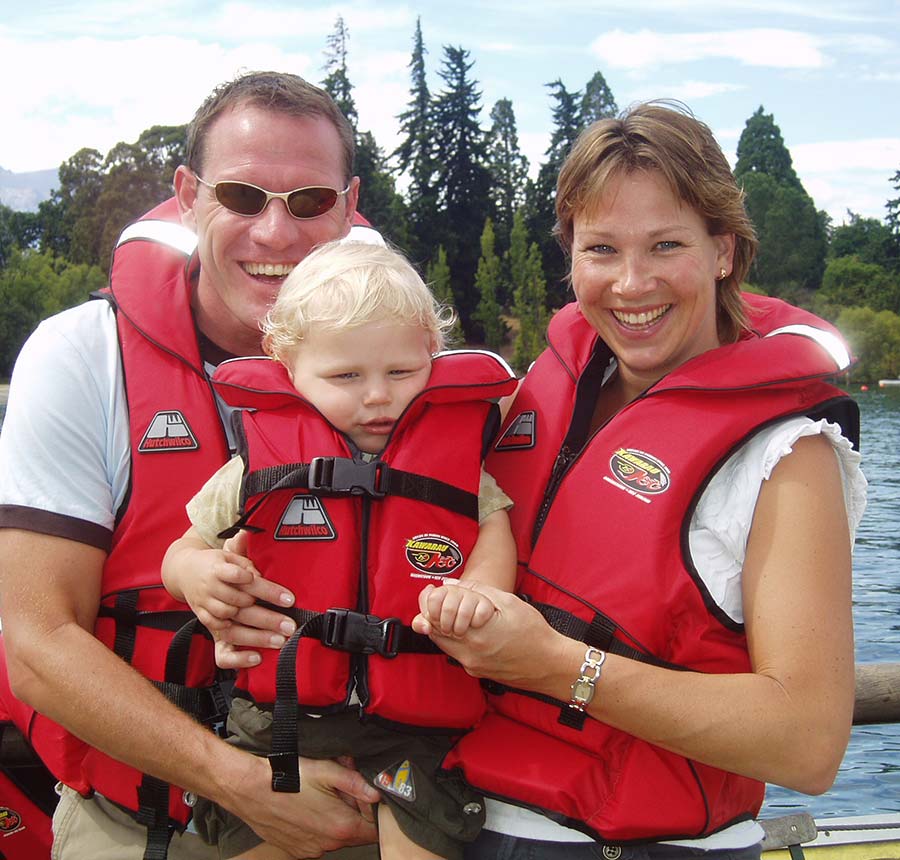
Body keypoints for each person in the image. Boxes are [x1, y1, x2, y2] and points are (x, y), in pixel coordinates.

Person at [406, 101, 867, 859]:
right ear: (570, 255)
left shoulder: (789, 455)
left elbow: (808, 743)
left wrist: (557, 667)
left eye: (665, 245)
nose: (631, 283)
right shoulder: (536, 394)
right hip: (461, 819)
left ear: (723, 251)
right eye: (601, 249)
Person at [0, 70, 388, 860]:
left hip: (361, 818)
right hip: (146, 829)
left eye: (310, 202)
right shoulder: (83, 357)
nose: (276, 234)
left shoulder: (396, 376)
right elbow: (36, 642)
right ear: (189, 195)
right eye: (244, 197)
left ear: (349, 209)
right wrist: (244, 786)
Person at [161, 239, 518, 860]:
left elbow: (494, 529)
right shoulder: (256, 464)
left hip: (417, 731)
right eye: (347, 377)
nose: (377, 396)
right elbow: (182, 551)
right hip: (282, 721)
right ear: (286, 364)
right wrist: (197, 573)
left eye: (401, 373)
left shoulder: (457, 459)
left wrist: (480, 593)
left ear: (432, 355)